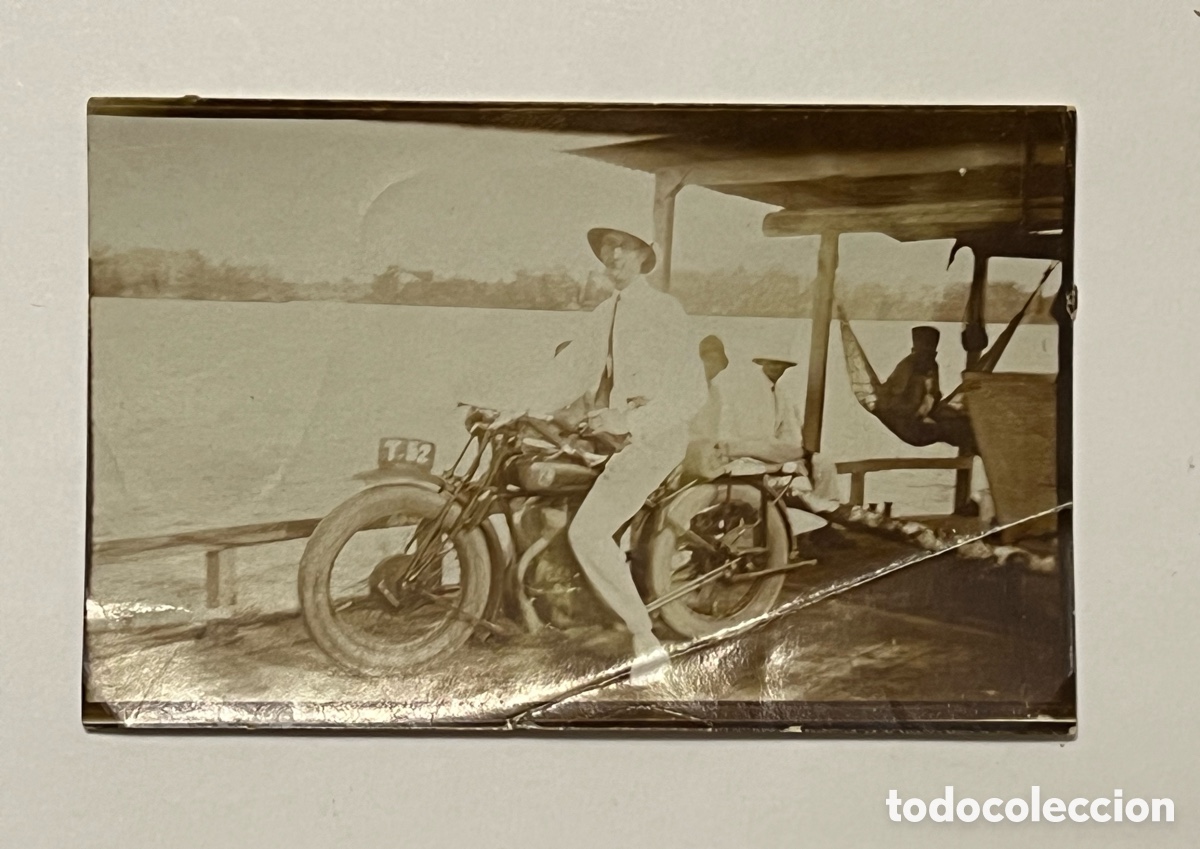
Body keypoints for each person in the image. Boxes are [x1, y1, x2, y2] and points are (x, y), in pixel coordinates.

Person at [497, 227, 709, 684]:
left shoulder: (664, 311)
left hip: (655, 436)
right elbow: (568, 372)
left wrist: (629, 422)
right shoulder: (604, 313)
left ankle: (646, 641)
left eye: (624, 247)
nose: (613, 255)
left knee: (590, 533)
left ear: (643, 255)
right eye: (607, 247)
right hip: (615, 435)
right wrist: (511, 405)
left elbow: (693, 392)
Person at [876, 326, 978, 453]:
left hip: (927, 414)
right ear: (916, 350)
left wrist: (933, 401)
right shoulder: (907, 365)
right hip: (909, 422)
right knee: (951, 428)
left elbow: (934, 393)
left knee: (964, 423)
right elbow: (895, 393)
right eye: (926, 353)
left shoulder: (933, 365)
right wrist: (917, 409)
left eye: (932, 353)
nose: (929, 357)